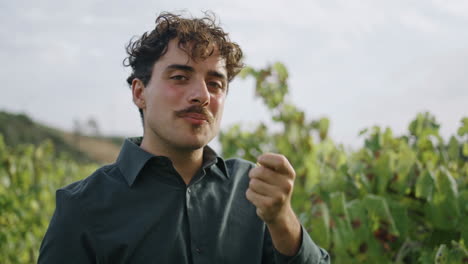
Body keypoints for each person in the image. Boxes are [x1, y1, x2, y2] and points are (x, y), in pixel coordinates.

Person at [38, 12, 330, 264]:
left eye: (215, 84)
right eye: (179, 77)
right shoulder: (82, 206)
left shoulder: (253, 189)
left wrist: (283, 221)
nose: (202, 96)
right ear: (140, 93)